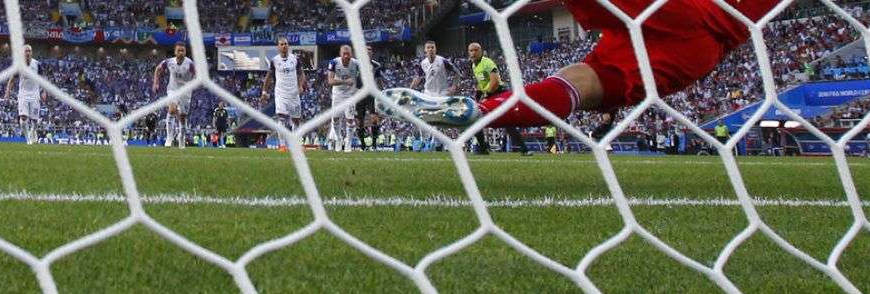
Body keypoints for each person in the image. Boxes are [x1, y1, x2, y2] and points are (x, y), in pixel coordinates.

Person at [382, 1, 778, 134]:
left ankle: (482, 108)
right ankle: (481, 112)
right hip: (703, 50)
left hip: (687, 8)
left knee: (585, 80)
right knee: (585, 83)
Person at [261, 36, 307, 152]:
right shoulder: (274, 61)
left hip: (294, 93)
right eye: (281, 44)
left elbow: (301, 74)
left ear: (288, 45)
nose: (284, 46)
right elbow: (268, 77)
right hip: (281, 93)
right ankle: (282, 145)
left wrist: (300, 85)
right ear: (278, 47)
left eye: (285, 44)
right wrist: (264, 92)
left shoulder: (295, 59)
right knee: (281, 118)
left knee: (296, 119)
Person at [153, 42, 196, 149]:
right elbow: (158, 69)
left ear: (185, 52)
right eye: (179, 50)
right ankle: (169, 137)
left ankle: (181, 136)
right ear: (175, 52)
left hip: (186, 91)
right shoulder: (169, 62)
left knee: (182, 117)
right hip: (173, 89)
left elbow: (197, 75)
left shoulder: (190, 64)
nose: (181, 52)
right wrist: (156, 83)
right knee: (172, 110)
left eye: (183, 50)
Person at [4, 45, 47, 145]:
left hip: (35, 94)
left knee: (35, 120)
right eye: (26, 51)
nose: (28, 53)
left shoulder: (37, 64)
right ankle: (28, 139)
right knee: (23, 117)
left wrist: (44, 91)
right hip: (23, 94)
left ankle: (32, 132)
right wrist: (7, 92)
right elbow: (11, 80)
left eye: (29, 51)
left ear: (31, 52)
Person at [325, 45, 359, 152]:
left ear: (351, 54)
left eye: (348, 54)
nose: (346, 56)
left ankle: (348, 142)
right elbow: (330, 81)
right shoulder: (334, 63)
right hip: (338, 94)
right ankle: (339, 139)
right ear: (340, 54)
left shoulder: (356, 64)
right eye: (344, 54)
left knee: (350, 119)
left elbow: (362, 77)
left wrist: (358, 88)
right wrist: (345, 82)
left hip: (350, 94)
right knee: (335, 118)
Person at [355, 46, 386, 151]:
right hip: (359, 94)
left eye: (370, 50)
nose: (368, 51)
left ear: (372, 53)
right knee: (360, 121)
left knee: (374, 119)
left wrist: (382, 92)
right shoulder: (356, 64)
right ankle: (363, 145)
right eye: (365, 50)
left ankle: (373, 145)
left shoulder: (376, 65)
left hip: (372, 94)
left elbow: (379, 80)